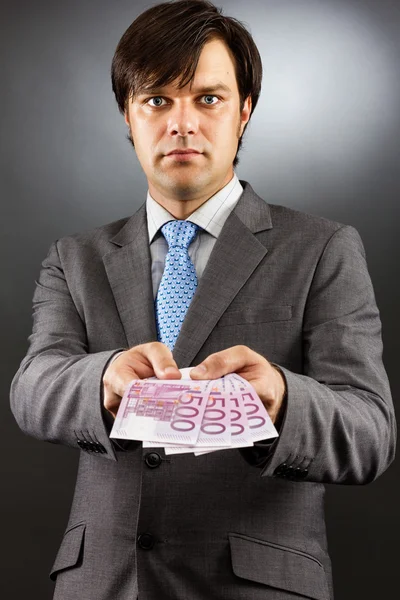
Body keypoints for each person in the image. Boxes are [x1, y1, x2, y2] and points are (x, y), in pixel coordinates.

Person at [10, 1, 396, 599]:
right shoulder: (74, 257)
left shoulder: (323, 248)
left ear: (244, 112)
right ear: (128, 116)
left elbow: (371, 433)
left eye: (208, 99)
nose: (181, 123)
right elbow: (34, 386)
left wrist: (283, 398)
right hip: (102, 585)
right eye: (157, 100)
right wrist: (103, 379)